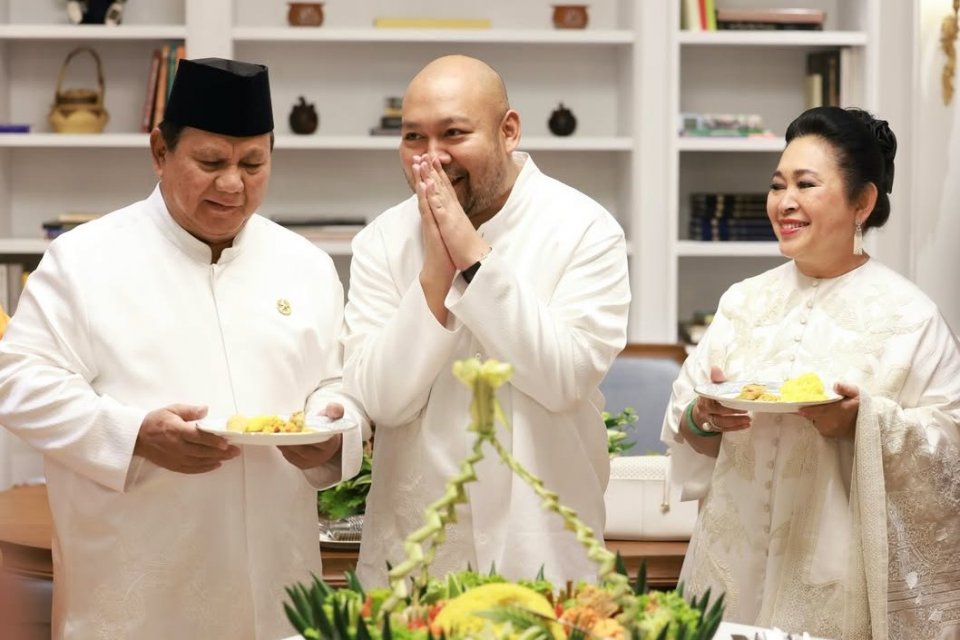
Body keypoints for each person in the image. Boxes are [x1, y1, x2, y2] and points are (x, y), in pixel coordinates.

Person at [0, 58, 366, 639]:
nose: (233, 185)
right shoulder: (85, 261)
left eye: (253, 163)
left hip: (277, 592)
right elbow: (17, 382)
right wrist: (133, 434)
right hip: (134, 598)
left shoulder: (307, 265)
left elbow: (336, 382)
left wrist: (327, 431)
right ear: (159, 152)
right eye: (211, 162)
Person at [661, 106, 960, 640]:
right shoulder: (744, 302)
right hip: (726, 566)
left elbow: (950, 452)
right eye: (778, 185)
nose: (785, 202)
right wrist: (703, 416)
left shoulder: (909, 317)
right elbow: (686, 425)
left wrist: (865, 423)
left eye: (805, 184)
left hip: (833, 575)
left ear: (862, 201)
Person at [342, 55, 631, 586]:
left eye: (454, 133)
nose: (432, 159)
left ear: (509, 131)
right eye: (413, 138)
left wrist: (472, 257)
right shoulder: (383, 240)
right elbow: (381, 399)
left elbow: (564, 378)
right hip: (413, 553)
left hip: (543, 549)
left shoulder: (585, 229)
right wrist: (435, 272)